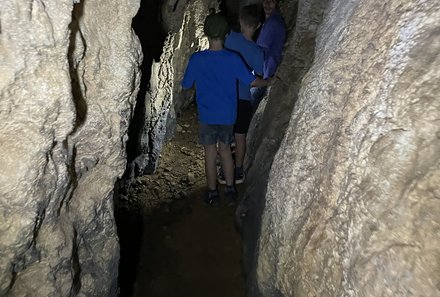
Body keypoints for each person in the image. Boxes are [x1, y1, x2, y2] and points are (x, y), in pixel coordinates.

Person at [181, 13, 268, 207]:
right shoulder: (233, 58)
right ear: (226, 33)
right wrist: (269, 81)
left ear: (205, 33)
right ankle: (230, 189)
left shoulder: (197, 59)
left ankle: (212, 193)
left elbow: (186, 85)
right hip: (228, 114)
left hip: (207, 114)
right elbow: (252, 80)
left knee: (210, 153)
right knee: (226, 151)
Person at [219, 4, 263, 185]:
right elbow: (257, 75)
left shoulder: (229, 38)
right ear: (258, 25)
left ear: (240, 21)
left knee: (225, 134)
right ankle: (238, 171)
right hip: (243, 98)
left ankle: (224, 169)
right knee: (240, 136)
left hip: (226, 96)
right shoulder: (258, 52)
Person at [250, 0, 286, 108]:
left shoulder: (273, 22)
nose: (267, 4)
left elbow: (260, 50)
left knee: (248, 107)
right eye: (265, 1)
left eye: (271, 1)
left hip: (264, 74)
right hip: (265, 71)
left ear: (276, 3)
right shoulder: (270, 20)